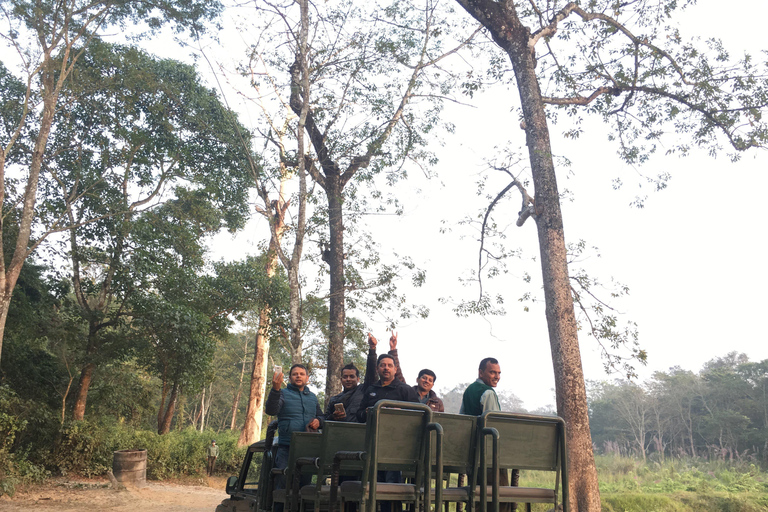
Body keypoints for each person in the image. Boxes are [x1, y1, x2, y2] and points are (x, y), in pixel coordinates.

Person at [265, 363, 324, 512]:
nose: (298, 376)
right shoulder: (282, 393)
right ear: (289, 378)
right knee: (283, 488)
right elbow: (271, 410)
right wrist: (275, 389)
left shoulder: (312, 397)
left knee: (304, 489)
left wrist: (319, 421)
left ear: (307, 378)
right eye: (295, 374)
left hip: (308, 449)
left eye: (301, 374)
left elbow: (321, 417)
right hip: (286, 448)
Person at [460, 357, 512, 512]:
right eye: (492, 372)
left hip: (473, 455)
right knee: (498, 498)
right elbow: (494, 425)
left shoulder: (469, 390)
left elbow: (462, 418)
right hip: (490, 457)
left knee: (476, 498)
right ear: (481, 372)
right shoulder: (488, 393)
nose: (497, 376)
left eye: (498, 373)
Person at [324, 335, 378, 422]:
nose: (348, 379)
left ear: (358, 379)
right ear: (341, 380)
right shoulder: (334, 400)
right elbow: (325, 420)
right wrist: (333, 417)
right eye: (345, 377)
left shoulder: (364, 390)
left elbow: (371, 374)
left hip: (359, 432)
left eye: (352, 376)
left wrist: (372, 349)